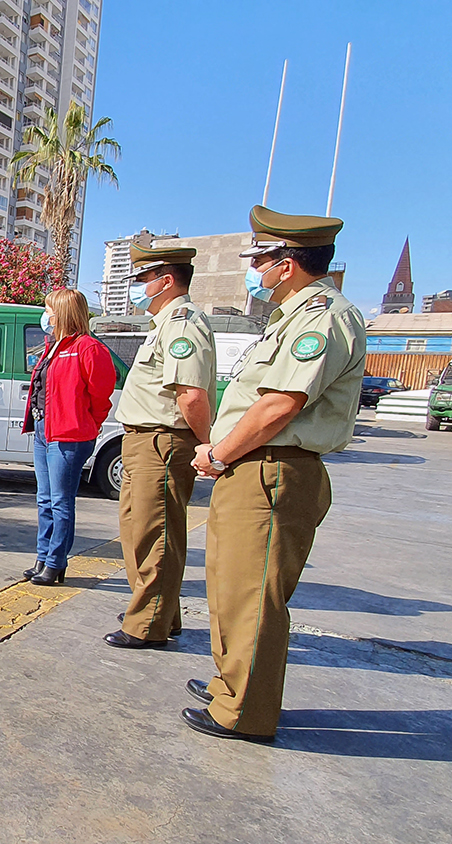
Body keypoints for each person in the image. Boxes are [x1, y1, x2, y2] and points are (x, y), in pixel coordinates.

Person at [182, 207, 365, 743]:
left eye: (261, 260)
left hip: (273, 469)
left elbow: (278, 406)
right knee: (228, 588)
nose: (255, 270)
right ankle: (230, 685)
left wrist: (217, 453)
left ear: (287, 264)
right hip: (254, 467)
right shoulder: (289, 317)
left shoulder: (322, 317)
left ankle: (246, 711)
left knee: (253, 595)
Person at [107, 244, 217, 649]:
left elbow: (191, 395)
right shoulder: (164, 324)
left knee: (157, 533)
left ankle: (148, 624)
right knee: (137, 531)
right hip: (141, 439)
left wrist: (208, 446)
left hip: (163, 440)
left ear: (165, 281)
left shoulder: (184, 325)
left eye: (142, 279)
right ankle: (156, 610)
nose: (137, 288)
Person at [22, 288, 116, 585]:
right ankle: (43, 558)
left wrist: (88, 422)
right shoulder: (53, 346)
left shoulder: (88, 348)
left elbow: (101, 396)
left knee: (61, 501)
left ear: (62, 312)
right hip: (43, 430)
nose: (45, 315)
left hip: (68, 434)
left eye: (49, 309)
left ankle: (56, 562)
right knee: (45, 499)